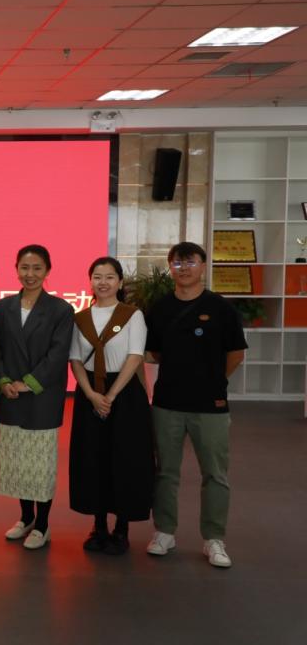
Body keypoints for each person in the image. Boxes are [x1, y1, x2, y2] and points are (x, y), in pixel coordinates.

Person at [144, 242, 246, 568]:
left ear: (203, 265)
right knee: (165, 472)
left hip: (210, 406)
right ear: (170, 267)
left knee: (215, 474)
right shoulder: (160, 308)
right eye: (177, 262)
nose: (184, 268)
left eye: (190, 262)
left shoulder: (222, 308)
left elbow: (236, 354)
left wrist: (213, 380)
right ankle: (164, 532)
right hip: (167, 403)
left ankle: (214, 539)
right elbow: (155, 352)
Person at [68, 256, 154, 555]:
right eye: (97, 277)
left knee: (125, 458)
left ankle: (122, 527)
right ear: (90, 281)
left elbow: (135, 356)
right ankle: (99, 525)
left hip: (125, 395)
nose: (102, 282)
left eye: (109, 277)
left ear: (119, 282)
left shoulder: (132, 315)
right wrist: (92, 395)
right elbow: (75, 360)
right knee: (93, 458)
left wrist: (111, 396)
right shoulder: (80, 318)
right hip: (90, 392)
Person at [0, 245, 73, 550]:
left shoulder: (61, 310)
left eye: (37, 268)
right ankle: (25, 518)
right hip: (9, 396)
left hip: (41, 397)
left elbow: (58, 354)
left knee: (41, 464)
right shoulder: (3, 307)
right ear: (16, 269)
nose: (30, 274)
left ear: (47, 270)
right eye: (25, 267)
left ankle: (43, 524)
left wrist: (27, 384)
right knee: (18, 462)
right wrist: (2, 381)